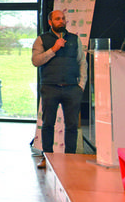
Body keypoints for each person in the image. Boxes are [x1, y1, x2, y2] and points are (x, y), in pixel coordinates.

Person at [32, 10, 88, 168]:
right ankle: (47, 158)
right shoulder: (41, 39)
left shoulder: (74, 39)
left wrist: (81, 85)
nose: (61, 21)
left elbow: (82, 62)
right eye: (57, 19)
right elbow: (36, 61)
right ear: (50, 22)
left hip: (72, 89)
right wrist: (54, 49)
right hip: (50, 88)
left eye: (63, 18)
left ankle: (71, 159)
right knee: (48, 124)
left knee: (71, 125)